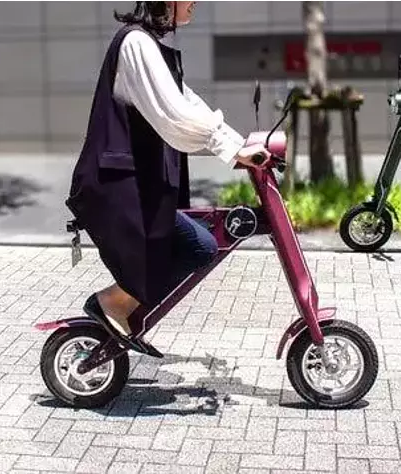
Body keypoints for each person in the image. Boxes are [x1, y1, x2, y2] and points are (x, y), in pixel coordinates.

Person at [66, 1, 271, 358]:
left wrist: (239, 145)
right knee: (199, 246)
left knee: (200, 245)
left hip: (138, 187)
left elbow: (189, 104)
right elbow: (175, 115)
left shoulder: (149, 45)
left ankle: (123, 308)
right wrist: (232, 149)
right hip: (120, 188)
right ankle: (113, 302)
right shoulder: (136, 44)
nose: (196, 2)